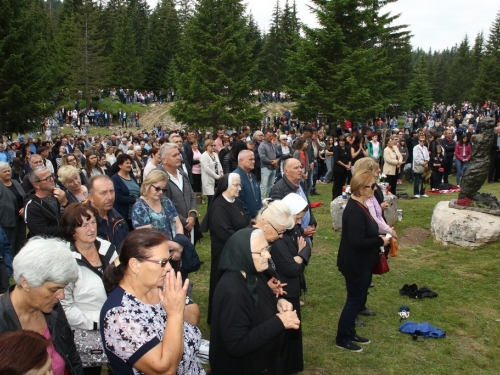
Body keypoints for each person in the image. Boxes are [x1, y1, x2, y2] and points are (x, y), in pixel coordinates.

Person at [100, 229, 205, 375]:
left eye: (168, 260)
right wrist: (174, 313)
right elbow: (166, 369)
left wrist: (178, 308)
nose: (169, 268)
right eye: (162, 262)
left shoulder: (158, 285)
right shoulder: (118, 315)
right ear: (135, 265)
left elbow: (194, 316)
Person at [209, 227, 300, 374]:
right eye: (261, 252)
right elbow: (237, 345)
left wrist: (277, 302)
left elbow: (259, 298)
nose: (268, 255)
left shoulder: (251, 273)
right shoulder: (233, 292)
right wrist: (280, 322)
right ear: (242, 253)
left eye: (267, 248)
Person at [0, 237, 83, 374]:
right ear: (26, 282)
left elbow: (72, 356)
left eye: (63, 288)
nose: (61, 296)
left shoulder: (52, 307)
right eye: (54, 289)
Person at [335, 170, 391, 352]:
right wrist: (380, 240)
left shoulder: (362, 205)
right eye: (372, 186)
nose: (375, 189)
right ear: (360, 188)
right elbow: (356, 241)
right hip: (355, 264)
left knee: (356, 299)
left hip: (362, 262)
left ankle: (350, 332)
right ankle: (343, 338)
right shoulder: (354, 210)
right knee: (353, 301)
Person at [60, 204, 118, 375]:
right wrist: (95, 322)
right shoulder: (65, 260)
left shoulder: (108, 249)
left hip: (117, 326)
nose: (91, 229)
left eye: (93, 222)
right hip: (85, 334)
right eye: (84, 225)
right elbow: (65, 307)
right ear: (72, 231)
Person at [201, 173, 250, 325]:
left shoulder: (235, 202)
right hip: (224, 254)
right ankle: (218, 319)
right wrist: (247, 240)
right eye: (236, 185)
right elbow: (225, 233)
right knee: (223, 285)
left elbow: (245, 222)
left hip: (238, 251)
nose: (239, 188)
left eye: (239, 185)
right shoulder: (218, 207)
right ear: (226, 186)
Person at [271, 193, 311, 374]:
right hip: (285, 290)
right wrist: (301, 256)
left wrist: (300, 256)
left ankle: (292, 365)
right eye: (298, 218)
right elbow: (292, 269)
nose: (300, 223)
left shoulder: (293, 230)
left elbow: (306, 247)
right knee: (287, 333)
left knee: (294, 332)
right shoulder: (280, 238)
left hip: (292, 287)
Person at [131, 170, 185, 257]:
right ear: (147, 185)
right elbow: (149, 239)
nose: (160, 192)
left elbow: (178, 225)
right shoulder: (140, 208)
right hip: (155, 256)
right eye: (157, 188)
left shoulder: (166, 201)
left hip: (174, 253)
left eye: (163, 189)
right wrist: (177, 247)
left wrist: (179, 246)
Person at [156, 143, 199, 244]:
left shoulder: (182, 173)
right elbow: (164, 204)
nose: (178, 157)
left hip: (189, 225)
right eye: (174, 155)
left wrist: (192, 215)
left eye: (178, 154)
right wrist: (184, 221)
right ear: (164, 160)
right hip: (171, 229)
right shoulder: (159, 177)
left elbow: (192, 195)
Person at [270, 158, 317, 244]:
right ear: (286, 171)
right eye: (296, 168)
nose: (300, 170)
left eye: (300, 167)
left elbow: (307, 206)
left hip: (305, 234)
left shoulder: (301, 183)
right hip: (291, 238)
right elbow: (280, 218)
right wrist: (302, 231)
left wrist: (312, 223)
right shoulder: (279, 189)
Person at [24, 166, 69, 238]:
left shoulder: (59, 195)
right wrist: (68, 229)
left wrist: (65, 203)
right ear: (36, 185)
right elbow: (41, 232)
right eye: (46, 179)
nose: (52, 179)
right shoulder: (32, 206)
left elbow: (74, 214)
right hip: (47, 244)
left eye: (51, 176)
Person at [87, 175, 129, 250]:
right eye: (103, 193)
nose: (110, 197)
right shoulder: (83, 223)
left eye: (112, 191)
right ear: (91, 197)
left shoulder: (119, 220)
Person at [0, 161, 27, 255]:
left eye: (8, 170)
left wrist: (24, 208)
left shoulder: (15, 182)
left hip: (21, 218)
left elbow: (24, 196)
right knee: (10, 244)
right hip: (7, 220)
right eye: (4, 171)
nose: (8, 173)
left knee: (21, 242)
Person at [111, 153, 139, 231]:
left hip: (136, 213)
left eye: (130, 163)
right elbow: (117, 196)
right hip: (124, 214)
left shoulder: (132, 176)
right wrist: (134, 200)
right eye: (126, 163)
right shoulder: (115, 179)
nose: (129, 165)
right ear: (120, 165)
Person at [233, 150, 262, 220]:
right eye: (250, 159)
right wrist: (249, 218)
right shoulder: (236, 177)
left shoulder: (252, 175)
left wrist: (259, 213)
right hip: (245, 220)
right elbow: (238, 201)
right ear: (241, 161)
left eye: (254, 159)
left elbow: (258, 196)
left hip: (256, 217)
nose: (254, 161)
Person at [200, 138, 223, 206]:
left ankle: (213, 214)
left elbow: (219, 164)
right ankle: (209, 215)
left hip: (217, 180)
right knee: (211, 200)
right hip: (208, 180)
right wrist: (217, 176)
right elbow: (207, 169)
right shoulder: (204, 156)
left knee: (216, 200)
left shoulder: (215, 154)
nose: (213, 147)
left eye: (214, 145)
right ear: (207, 146)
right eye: (211, 145)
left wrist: (221, 173)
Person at [258, 129, 278, 198]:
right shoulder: (262, 145)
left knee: (271, 185)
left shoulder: (272, 145)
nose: (271, 137)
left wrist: (276, 161)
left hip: (273, 167)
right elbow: (263, 158)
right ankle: (262, 200)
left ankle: (268, 198)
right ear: (265, 136)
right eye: (269, 136)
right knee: (264, 186)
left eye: (271, 136)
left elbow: (277, 155)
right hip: (265, 168)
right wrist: (272, 162)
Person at [332, 135, 352, 200]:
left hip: (345, 170)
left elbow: (350, 158)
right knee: (336, 184)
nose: (341, 142)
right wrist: (345, 165)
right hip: (338, 169)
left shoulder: (347, 148)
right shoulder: (336, 148)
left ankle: (341, 196)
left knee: (342, 184)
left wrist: (349, 165)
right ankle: (334, 197)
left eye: (343, 141)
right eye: (340, 141)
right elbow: (336, 159)